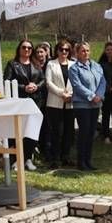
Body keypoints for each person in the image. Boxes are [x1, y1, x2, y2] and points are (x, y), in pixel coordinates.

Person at [3, 39, 45, 171]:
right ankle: (15, 160)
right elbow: (7, 81)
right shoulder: (12, 64)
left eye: (29, 48)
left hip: (34, 102)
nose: (27, 50)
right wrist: (23, 87)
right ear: (19, 49)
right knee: (17, 131)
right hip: (18, 103)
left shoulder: (36, 64)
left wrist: (36, 86)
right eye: (24, 47)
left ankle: (28, 158)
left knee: (31, 131)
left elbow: (43, 80)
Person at [69, 42, 105, 170]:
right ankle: (81, 162)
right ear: (77, 53)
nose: (86, 53)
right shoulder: (74, 69)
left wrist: (99, 95)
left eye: (87, 50)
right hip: (82, 105)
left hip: (95, 105)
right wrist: (91, 96)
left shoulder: (96, 66)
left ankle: (88, 160)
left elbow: (102, 81)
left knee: (91, 133)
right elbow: (77, 86)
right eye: (83, 51)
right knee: (83, 133)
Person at [45, 40, 75, 168]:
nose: (64, 52)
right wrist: (61, 93)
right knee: (55, 131)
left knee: (68, 131)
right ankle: (54, 158)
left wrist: (71, 95)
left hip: (70, 103)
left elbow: (77, 82)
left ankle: (66, 156)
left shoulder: (74, 65)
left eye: (66, 50)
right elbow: (48, 82)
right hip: (55, 102)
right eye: (61, 49)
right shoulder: (51, 64)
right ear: (57, 50)